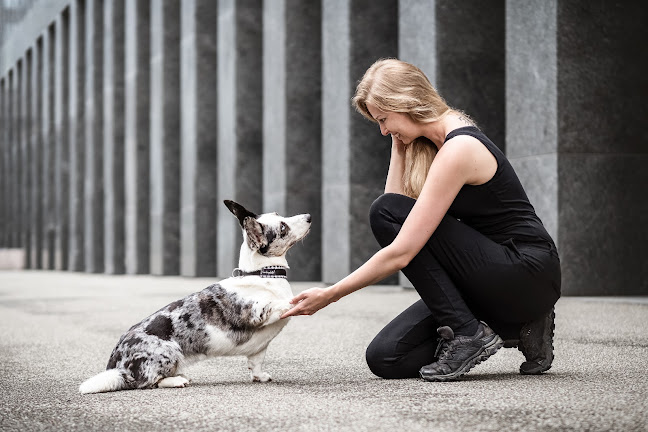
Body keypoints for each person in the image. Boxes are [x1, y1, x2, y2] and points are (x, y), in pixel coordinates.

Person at [281, 58, 561, 382]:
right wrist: (398, 146)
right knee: (386, 357)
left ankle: (471, 333)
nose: (383, 130)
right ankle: (519, 326)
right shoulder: (434, 144)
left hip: (526, 272)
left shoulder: (460, 147)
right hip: (489, 280)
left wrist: (331, 294)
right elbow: (395, 206)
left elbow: (399, 242)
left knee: (384, 213)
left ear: (406, 102)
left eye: (384, 119)